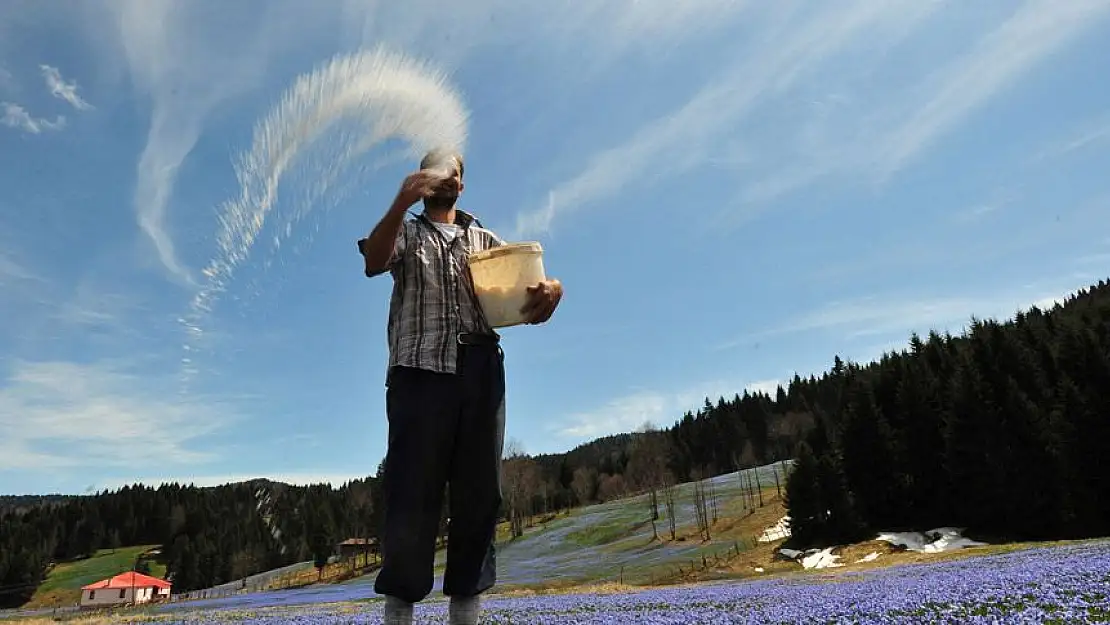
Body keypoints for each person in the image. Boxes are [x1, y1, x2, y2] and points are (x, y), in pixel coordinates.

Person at [357, 149, 563, 625]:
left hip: (480, 370)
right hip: (419, 372)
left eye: (452, 171)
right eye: (433, 170)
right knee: (411, 495)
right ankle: (400, 611)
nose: (444, 177)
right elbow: (374, 259)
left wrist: (553, 290)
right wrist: (398, 201)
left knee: (479, 495)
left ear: (461, 184)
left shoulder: (484, 239)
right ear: (422, 180)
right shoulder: (406, 230)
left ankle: (466, 613)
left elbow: (528, 280)